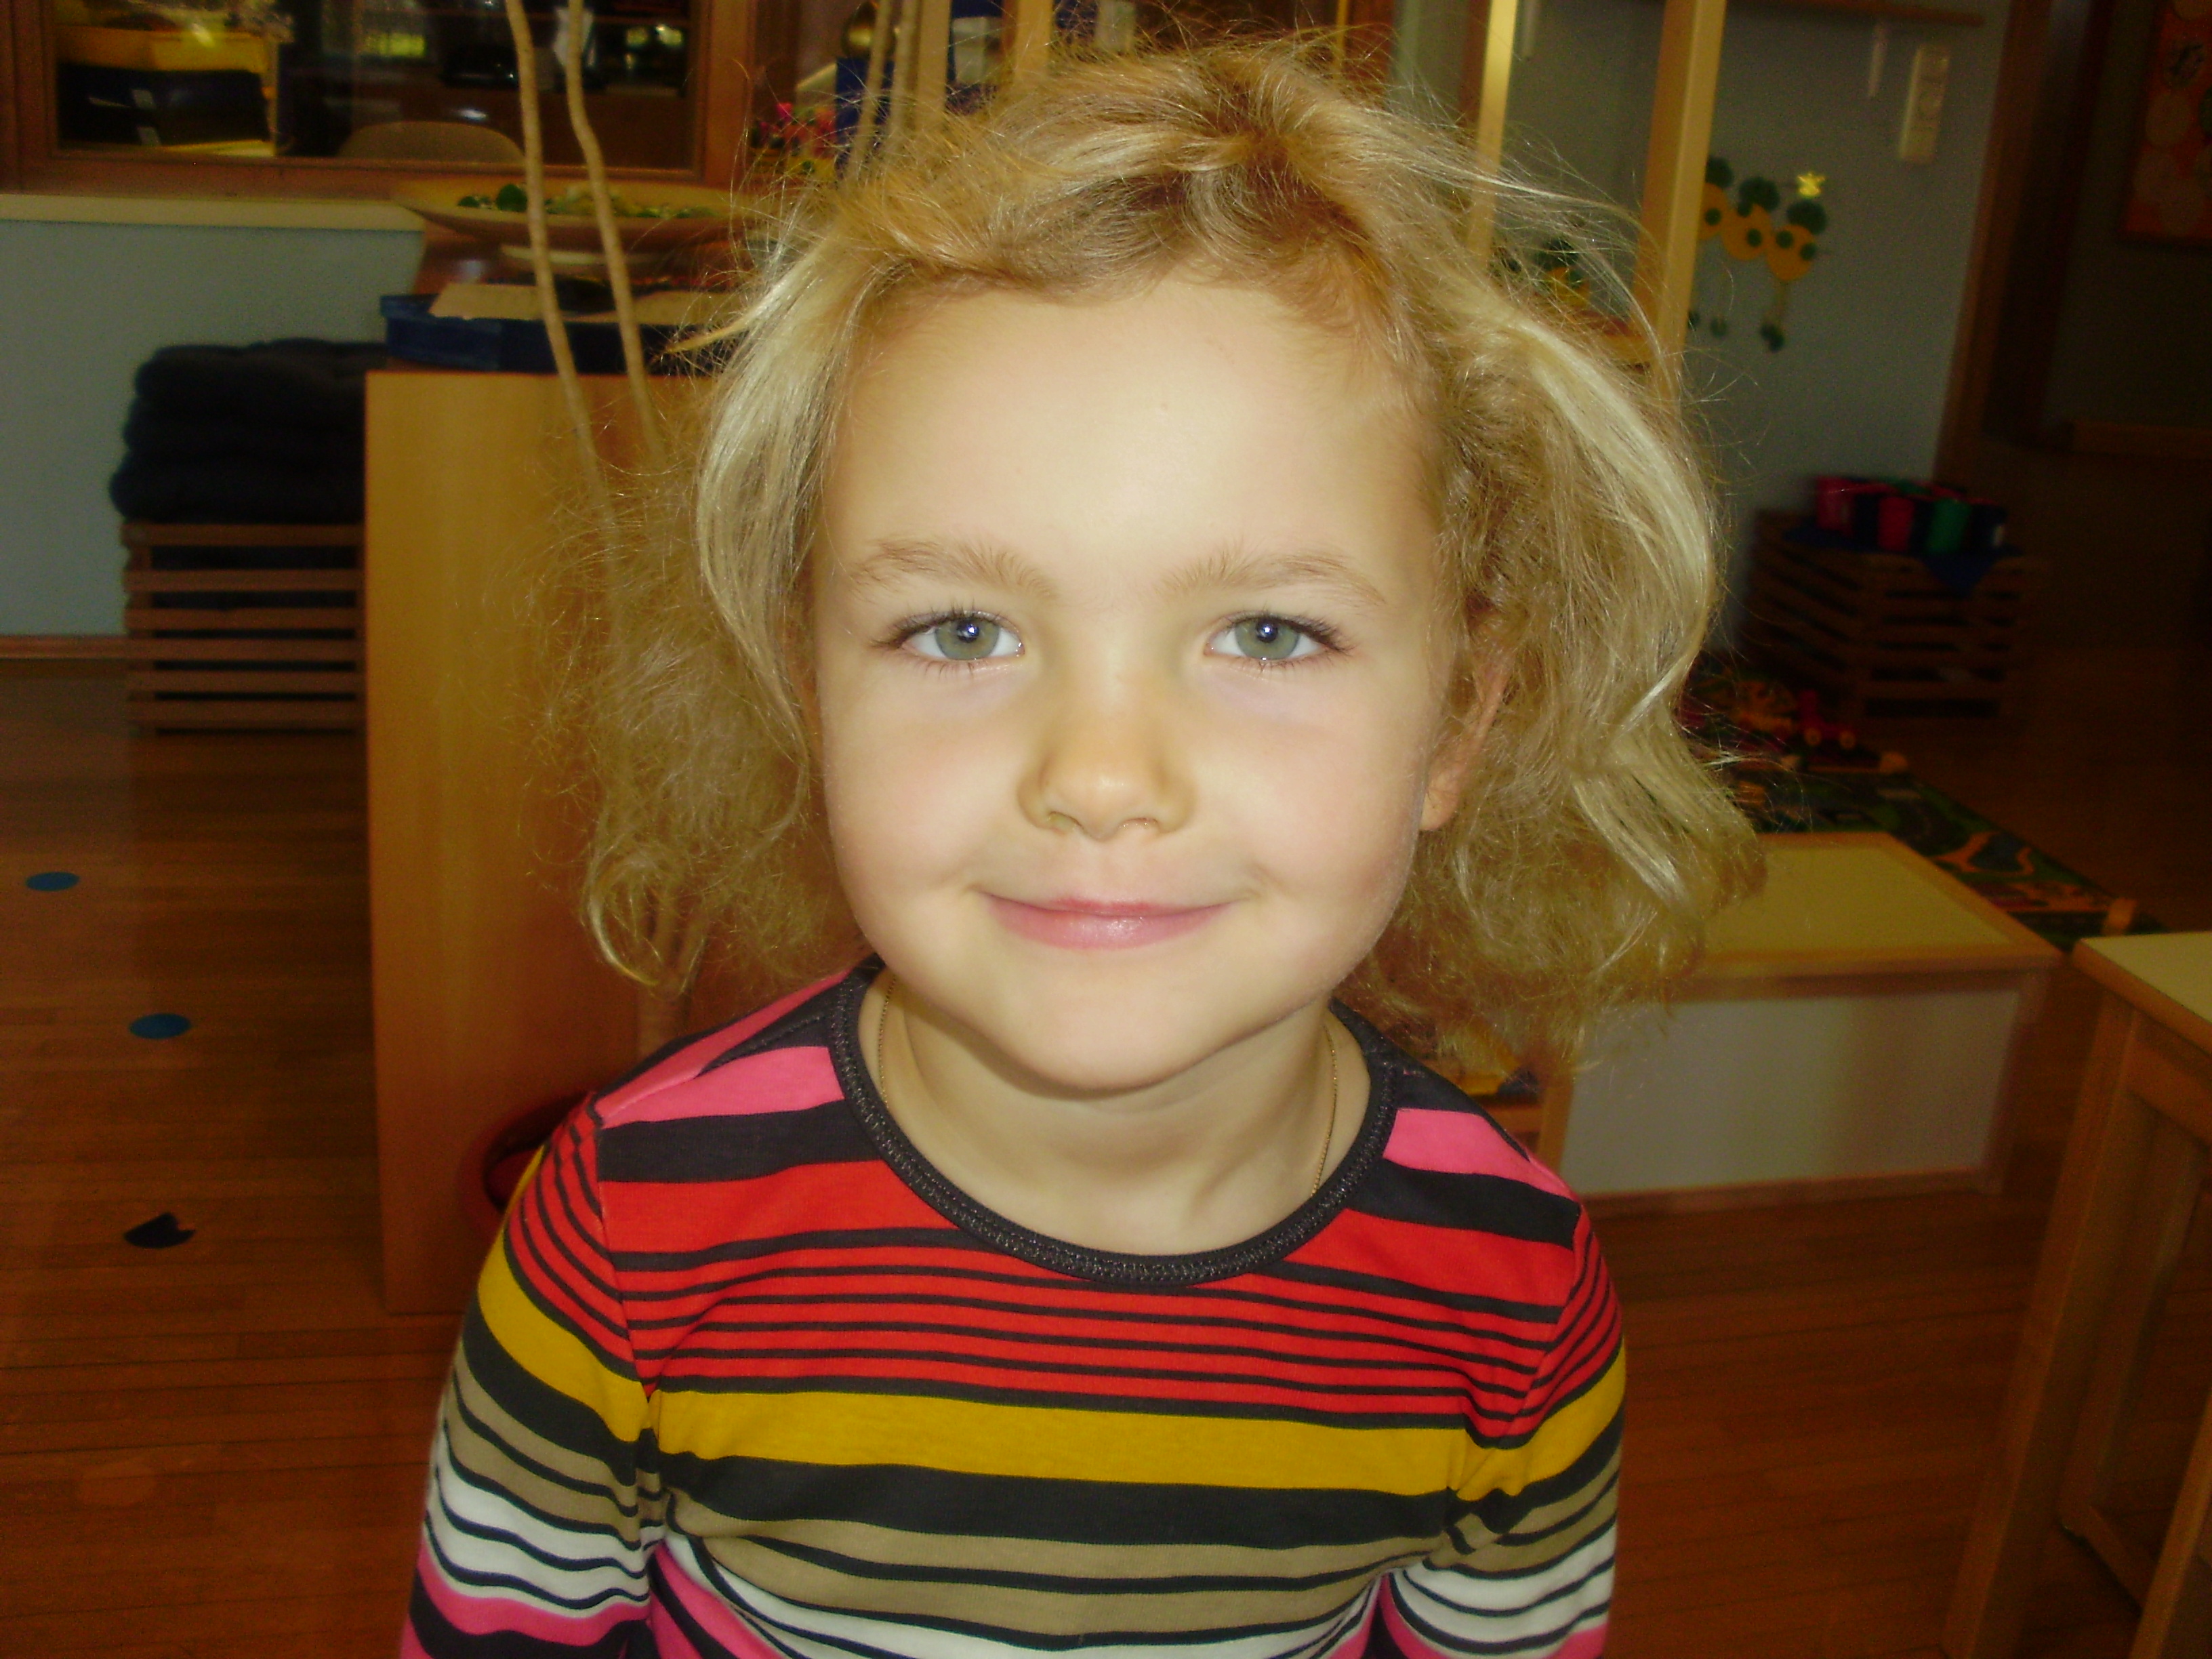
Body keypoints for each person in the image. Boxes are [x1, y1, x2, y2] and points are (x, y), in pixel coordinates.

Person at [403, 40, 1757, 1659]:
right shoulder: (629, 1229)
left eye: (1268, 632)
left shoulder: (1511, 1294)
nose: (1101, 779)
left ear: (1461, 719)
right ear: (808, 693)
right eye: (960, 628)